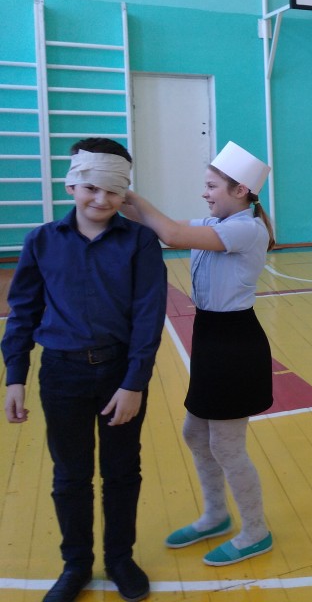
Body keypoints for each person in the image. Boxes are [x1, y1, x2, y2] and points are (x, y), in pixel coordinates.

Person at [2, 137, 167, 602]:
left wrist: (134, 383)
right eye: (92, 187)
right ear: (71, 184)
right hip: (62, 375)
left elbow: (148, 315)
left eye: (113, 190)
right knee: (70, 475)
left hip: (119, 373)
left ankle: (119, 558)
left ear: (125, 193)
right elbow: (23, 311)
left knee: (122, 470)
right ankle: (75, 564)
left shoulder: (140, 242)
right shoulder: (41, 241)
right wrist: (15, 375)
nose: (101, 199)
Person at [122, 141, 275, 566]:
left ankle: (256, 531)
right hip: (210, 338)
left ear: (240, 190)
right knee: (195, 432)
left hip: (234, 345)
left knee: (227, 446)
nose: (204, 193)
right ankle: (215, 515)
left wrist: (132, 196)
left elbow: (171, 234)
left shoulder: (246, 229)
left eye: (211, 186)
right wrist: (114, 194)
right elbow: (161, 225)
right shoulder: (216, 222)